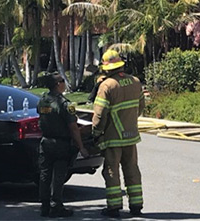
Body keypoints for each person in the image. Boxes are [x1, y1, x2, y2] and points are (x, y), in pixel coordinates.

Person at [92, 50, 145, 218]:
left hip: (112, 137)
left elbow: (100, 114)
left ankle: (114, 207)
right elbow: (140, 108)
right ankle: (136, 205)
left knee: (111, 171)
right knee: (132, 169)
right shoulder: (135, 82)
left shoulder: (107, 86)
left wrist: (96, 132)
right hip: (131, 136)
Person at [37, 73, 89, 218]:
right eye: (62, 81)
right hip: (60, 144)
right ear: (58, 84)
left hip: (45, 142)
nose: (64, 83)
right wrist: (81, 147)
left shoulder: (42, 101)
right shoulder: (65, 104)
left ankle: (44, 206)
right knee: (58, 175)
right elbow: (73, 127)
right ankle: (56, 206)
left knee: (45, 175)